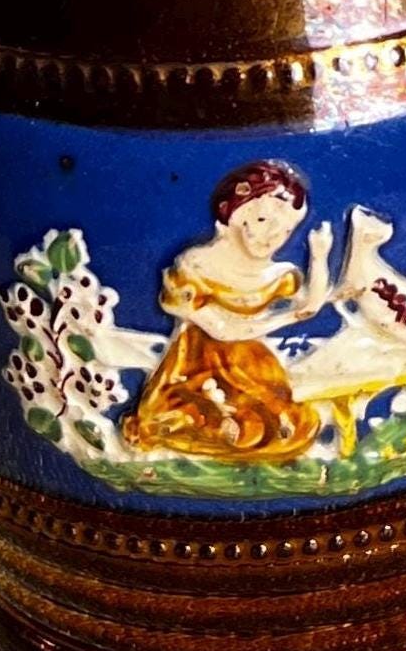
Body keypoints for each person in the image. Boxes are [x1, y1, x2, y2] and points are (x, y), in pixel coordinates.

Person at [122, 158, 332, 461]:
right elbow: (222, 329)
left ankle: (241, 430)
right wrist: (286, 317)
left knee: (273, 419)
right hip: (196, 364)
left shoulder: (276, 274)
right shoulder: (196, 265)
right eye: (262, 220)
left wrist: (320, 256)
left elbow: (311, 306)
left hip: (249, 365)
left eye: (286, 230)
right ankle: (219, 426)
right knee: (182, 413)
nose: (272, 236)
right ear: (234, 213)